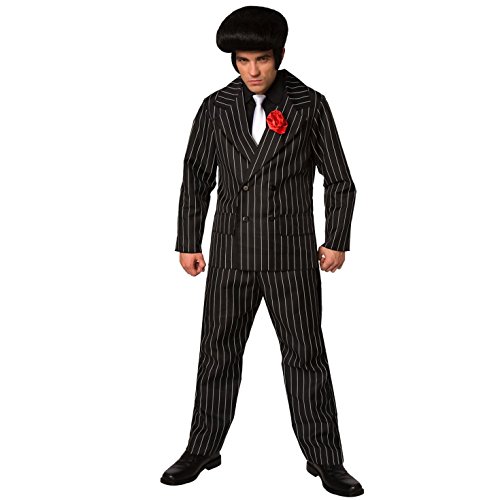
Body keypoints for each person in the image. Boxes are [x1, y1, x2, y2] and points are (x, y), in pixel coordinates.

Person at [160, 6, 364, 497]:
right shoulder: (215, 107)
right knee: (217, 354)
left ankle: (325, 458)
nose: (252, 70)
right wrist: (188, 241)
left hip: (291, 256)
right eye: (243, 60)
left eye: (263, 59)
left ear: (280, 55)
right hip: (230, 252)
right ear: (233, 60)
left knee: (305, 357)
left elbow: (339, 179)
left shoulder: (309, 104)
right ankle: (202, 448)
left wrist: (336, 239)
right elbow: (196, 178)